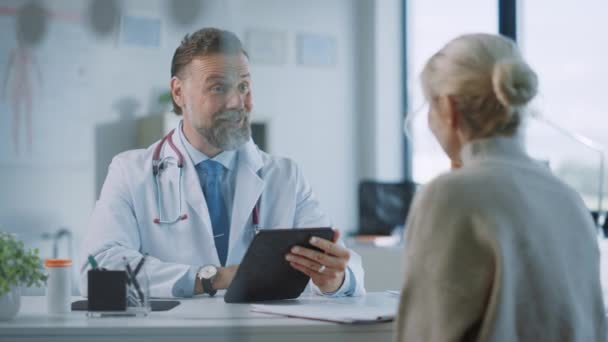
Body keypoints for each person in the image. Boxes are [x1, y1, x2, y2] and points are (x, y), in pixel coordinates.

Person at [80, 28, 365, 298]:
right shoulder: (130, 172)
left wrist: (336, 279)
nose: (235, 101)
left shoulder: (284, 176)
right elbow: (97, 271)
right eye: (218, 88)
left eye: (243, 85)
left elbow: (347, 268)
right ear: (178, 93)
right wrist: (215, 278)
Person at [396, 33, 606, 341]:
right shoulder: (567, 198)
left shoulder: (449, 196)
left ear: (449, 109)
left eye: (429, 104)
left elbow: (425, 334)